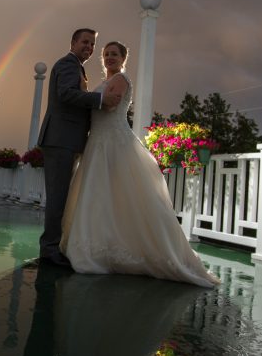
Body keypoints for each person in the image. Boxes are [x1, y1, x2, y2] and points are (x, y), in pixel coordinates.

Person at [61, 41, 218, 288]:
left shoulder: (121, 80)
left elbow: (110, 103)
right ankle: (100, 244)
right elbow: (97, 102)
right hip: (98, 144)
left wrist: (83, 93)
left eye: (114, 54)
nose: (109, 57)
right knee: (100, 196)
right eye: (106, 54)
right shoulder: (103, 84)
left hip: (114, 142)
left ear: (124, 58)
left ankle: (149, 251)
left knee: (128, 196)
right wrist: (86, 92)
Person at [37, 29, 121, 267]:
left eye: (93, 44)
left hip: (67, 140)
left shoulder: (77, 67)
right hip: (60, 139)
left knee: (60, 197)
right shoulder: (67, 64)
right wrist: (100, 100)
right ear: (73, 42)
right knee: (57, 198)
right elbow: (66, 94)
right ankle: (49, 250)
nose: (89, 47)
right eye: (85, 42)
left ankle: (54, 246)